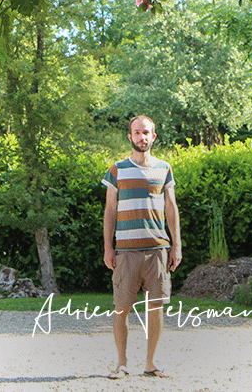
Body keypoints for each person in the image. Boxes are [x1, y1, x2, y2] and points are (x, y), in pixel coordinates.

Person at [102, 115, 182, 380]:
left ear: (154, 136)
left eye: (146, 132)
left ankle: (151, 363)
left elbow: (171, 208)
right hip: (125, 250)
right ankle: (122, 363)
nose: (142, 137)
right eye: (137, 133)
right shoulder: (117, 169)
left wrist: (176, 245)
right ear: (130, 137)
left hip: (158, 249)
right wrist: (108, 247)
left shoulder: (164, 168)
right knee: (121, 307)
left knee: (155, 307)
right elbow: (110, 210)